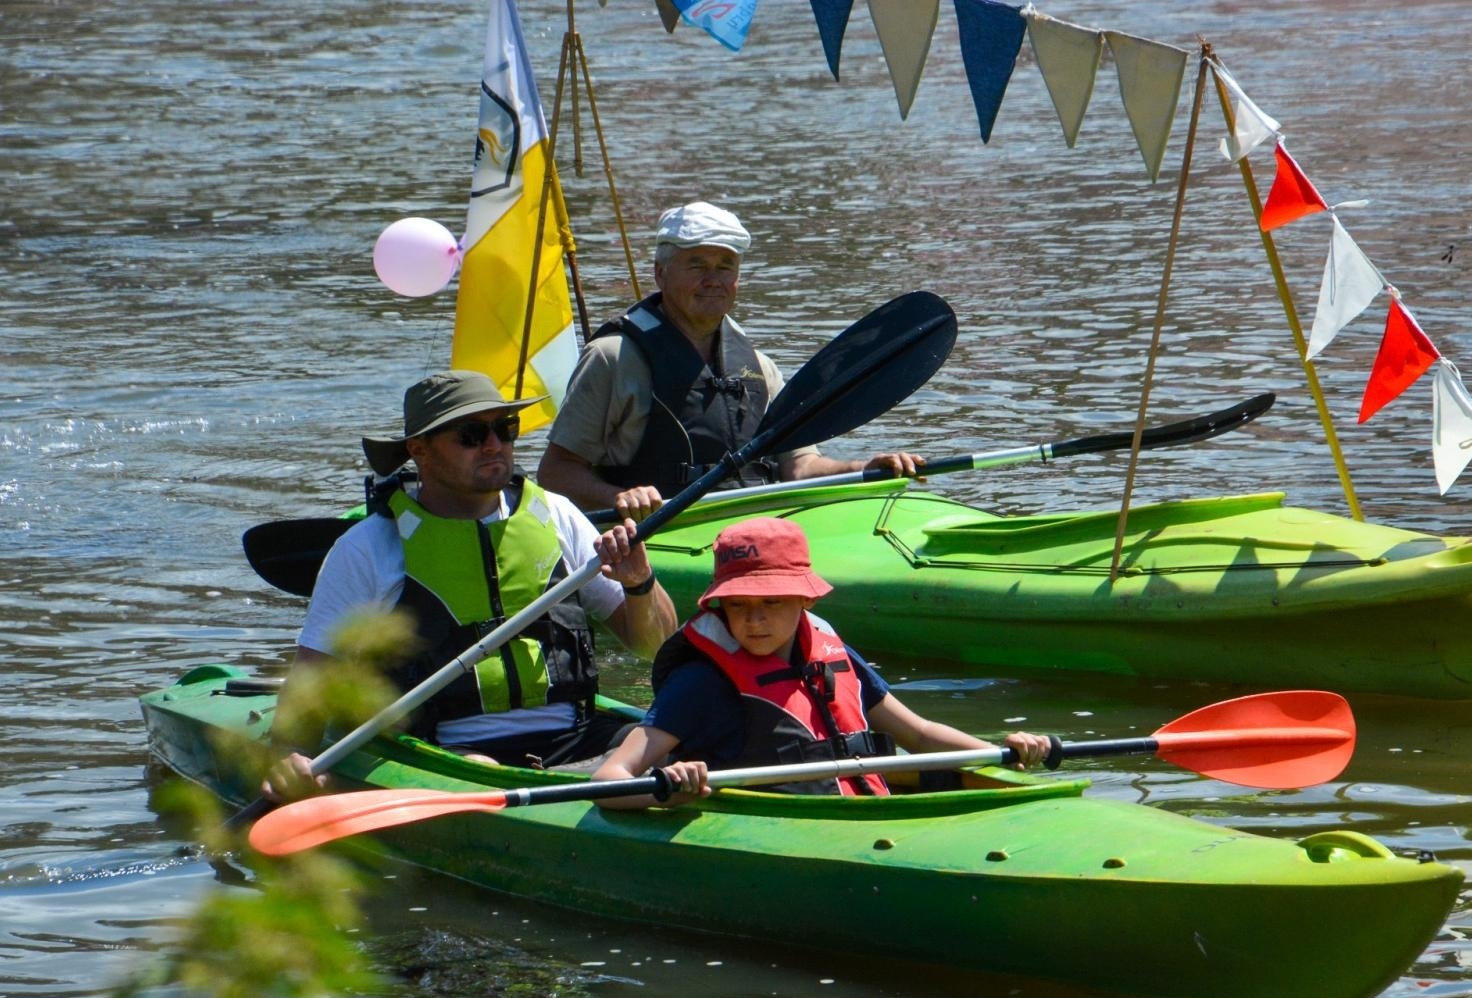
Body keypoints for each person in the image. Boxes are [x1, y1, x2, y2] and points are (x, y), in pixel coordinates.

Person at [265, 369, 677, 800]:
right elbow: (312, 679)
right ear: (419, 450)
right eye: (471, 434)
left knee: (684, 743)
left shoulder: (557, 516)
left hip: (578, 737)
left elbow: (656, 645)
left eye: (505, 428)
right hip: (445, 751)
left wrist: (639, 582)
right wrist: (290, 756)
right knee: (482, 768)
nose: (494, 444)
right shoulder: (369, 548)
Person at [590, 517, 1049, 808]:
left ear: (804, 600)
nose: (754, 620)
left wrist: (1001, 755)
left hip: (861, 810)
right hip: (776, 824)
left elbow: (919, 733)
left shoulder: (831, 654)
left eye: (771, 602)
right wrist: (665, 786)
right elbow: (609, 778)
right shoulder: (700, 681)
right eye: (737, 605)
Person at [536, 201, 925, 518]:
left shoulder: (758, 365)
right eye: (697, 265)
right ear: (660, 273)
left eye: (726, 267)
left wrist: (863, 469)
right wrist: (618, 497)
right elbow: (555, 474)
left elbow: (799, 467)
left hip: (753, 528)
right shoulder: (612, 359)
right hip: (662, 535)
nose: (714, 279)